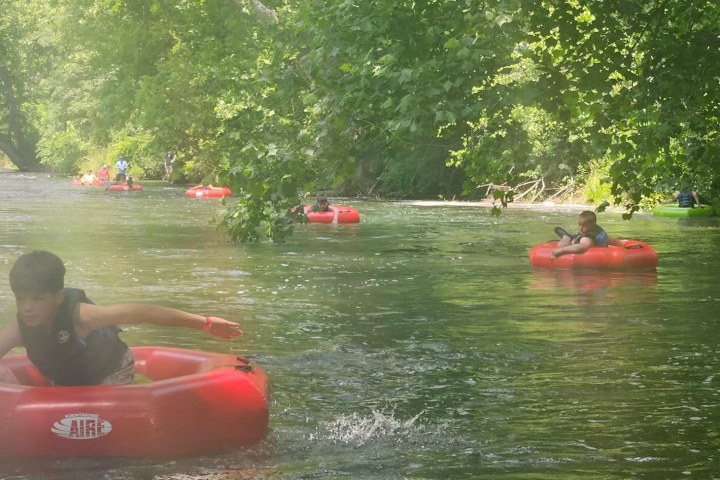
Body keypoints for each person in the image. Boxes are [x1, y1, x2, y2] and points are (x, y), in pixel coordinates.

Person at [0, 250, 242, 386]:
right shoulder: (19, 328)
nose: (27, 308)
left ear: (58, 297)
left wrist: (206, 323)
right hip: (70, 378)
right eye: (21, 299)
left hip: (110, 370)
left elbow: (145, 313)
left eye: (37, 299)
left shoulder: (82, 317)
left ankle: (135, 383)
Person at [551, 210, 624, 258]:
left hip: (578, 242)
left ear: (593, 225)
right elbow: (581, 247)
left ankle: (568, 237)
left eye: (584, 226)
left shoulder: (593, 235)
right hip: (573, 242)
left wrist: (621, 243)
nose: (580, 228)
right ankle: (566, 238)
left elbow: (608, 239)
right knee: (561, 245)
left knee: (572, 241)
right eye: (579, 225)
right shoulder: (587, 238)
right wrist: (561, 250)